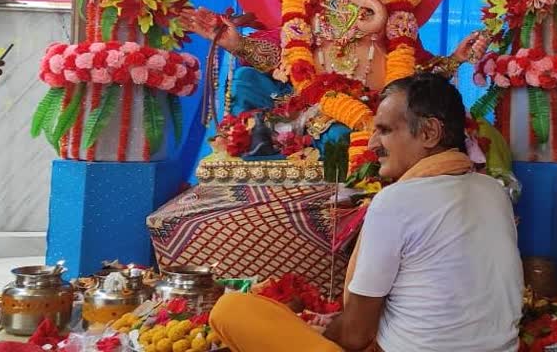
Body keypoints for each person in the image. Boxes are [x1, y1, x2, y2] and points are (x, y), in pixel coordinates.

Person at [209, 73, 524, 352]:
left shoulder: (397, 200)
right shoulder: (493, 192)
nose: (372, 143)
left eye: (385, 130)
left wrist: (313, 333)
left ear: (428, 132)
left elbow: (356, 335)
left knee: (231, 310)